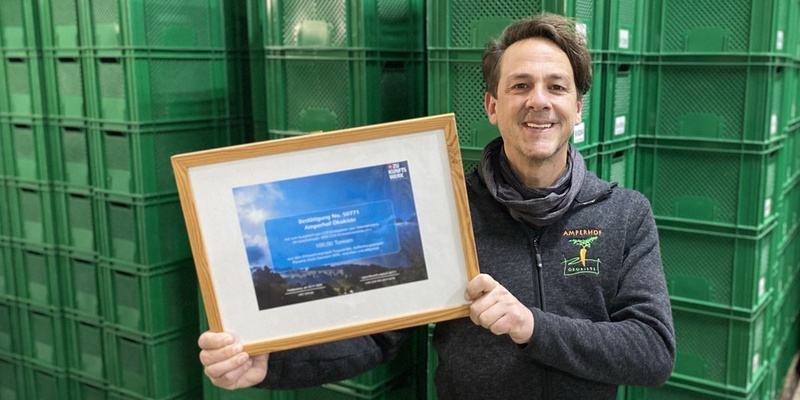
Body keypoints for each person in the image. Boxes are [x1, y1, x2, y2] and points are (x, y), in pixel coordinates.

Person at [198, 13, 675, 399]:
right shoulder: (448, 208)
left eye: (556, 86)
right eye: (519, 86)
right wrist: (271, 361)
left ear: (578, 106)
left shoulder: (624, 213)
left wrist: (532, 326)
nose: (539, 101)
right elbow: (377, 335)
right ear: (492, 106)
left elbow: (653, 351)